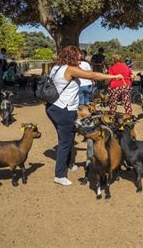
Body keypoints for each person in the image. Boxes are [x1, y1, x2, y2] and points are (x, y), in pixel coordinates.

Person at [46, 46, 122, 186]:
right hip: (64, 109)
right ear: (72, 56)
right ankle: (59, 174)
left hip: (52, 107)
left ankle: (69, 164)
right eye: (78, 55)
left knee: (65, 138)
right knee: (65, 142)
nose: (80, 56)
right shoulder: (70, 69)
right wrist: (114, 76)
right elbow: (93, 75)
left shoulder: (57, 67)